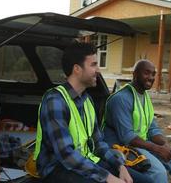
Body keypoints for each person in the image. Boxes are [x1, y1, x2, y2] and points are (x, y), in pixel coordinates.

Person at [33, 43, 148, 183]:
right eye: (93, 65)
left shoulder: (87, 100)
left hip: (85, 162)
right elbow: (66, 154)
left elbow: (98, 143)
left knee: (145, 181)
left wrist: (119, 166)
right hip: (57, 168)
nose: (98, 70)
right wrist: (107, 177)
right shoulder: (56, 101)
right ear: (77, 69)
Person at [103, 59, 171, 183]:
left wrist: (164, 144)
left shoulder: (145, 97)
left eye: (153, 74)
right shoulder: (120, 99)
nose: (151, 77)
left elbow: (152, 129)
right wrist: (156, 149)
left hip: (142, 144)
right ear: (135, 74)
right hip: (122, 147)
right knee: (158, 172)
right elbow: (127, 137)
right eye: (146, 73)